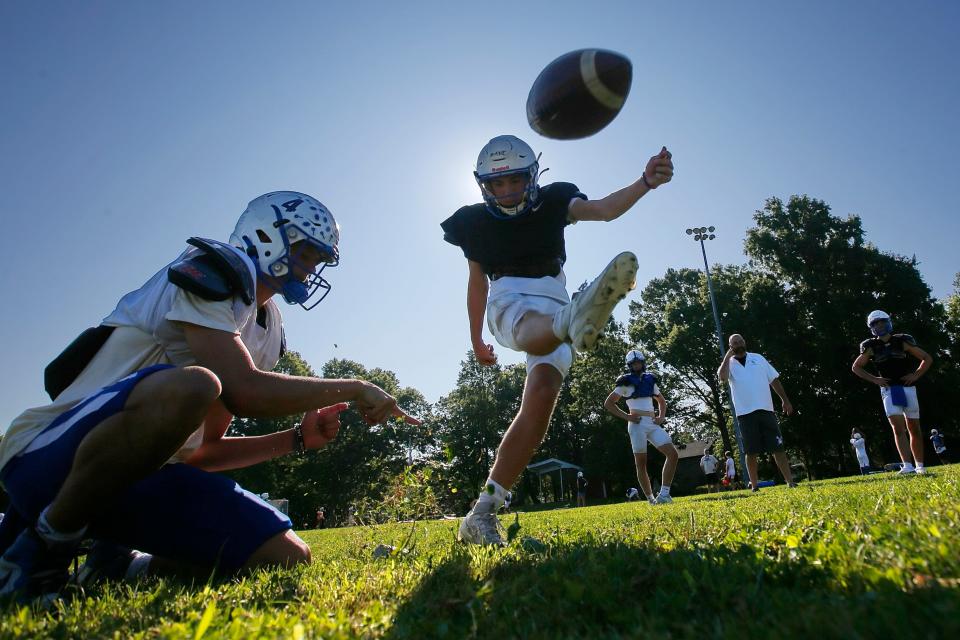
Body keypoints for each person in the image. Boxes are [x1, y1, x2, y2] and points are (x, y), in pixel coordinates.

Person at [0, 191, 418, 604]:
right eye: (306, 253)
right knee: (193, 385)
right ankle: (38, 550)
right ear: (268, 236)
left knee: (285, 557)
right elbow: (243, 389)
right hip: (48, 457)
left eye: (318, 260)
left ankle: (118, 566)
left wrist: (295, 440)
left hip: (138, 477)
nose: (310, 270)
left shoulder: (268, 326)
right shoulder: (215, 269)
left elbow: (202, 452)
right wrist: (354, 385)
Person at [442, 135, 674, 546]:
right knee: (538, 331)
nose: (508, 191)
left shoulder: (554, 200)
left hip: (557, 300)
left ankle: (482, 514)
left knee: (540, 404)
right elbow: (476, 282)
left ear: (531, 177)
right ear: (484, 186)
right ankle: (572, 318)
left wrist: (645, 182)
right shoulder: (475, 222)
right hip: (510, 298)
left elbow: (602, 209)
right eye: (498, 184)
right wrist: (475, 337)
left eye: (514, 181)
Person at [852, 310, 933, 475]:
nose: (879, 326)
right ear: (871, 327)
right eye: (875, 324)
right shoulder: (870, 346)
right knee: (897, 429)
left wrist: (916, 374)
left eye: (881, 322)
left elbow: (927, 358)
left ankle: (919, 465)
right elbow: (856, 367)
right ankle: (907, 465)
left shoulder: (902, 340)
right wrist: (875, 379)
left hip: (907, 387)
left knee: (914, 427)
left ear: (887, 322)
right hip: (889, 390)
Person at [718, 334, 797, 491]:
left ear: (745, 342)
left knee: (778, 447)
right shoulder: (729, 364)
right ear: (730, 346)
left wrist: (785, 400)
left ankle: (790, 481)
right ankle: (754, 485)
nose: (738, 344)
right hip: (745, 414)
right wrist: (727, 356)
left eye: (740, 341)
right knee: (750, 451)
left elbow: (774, 379)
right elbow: (722, 377)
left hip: (766, 409)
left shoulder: (758, 358)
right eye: (734, 343)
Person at [603, 350, 678, 505]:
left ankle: (664, 494)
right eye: (634, 363)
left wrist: (661, 417)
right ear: (630, 365)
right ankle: (651, 499)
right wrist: (627, 417)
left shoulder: (650, 380)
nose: (637, 365)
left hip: (651, 423)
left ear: (643, 363)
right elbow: (609, 403)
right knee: (641, 463)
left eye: (639, 362)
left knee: (673, 454)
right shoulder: (625, 383)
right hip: (636, 424)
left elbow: (662, 401)